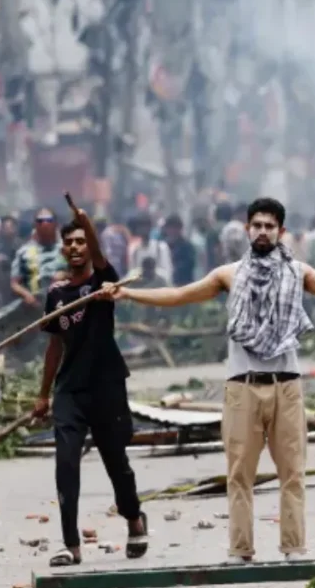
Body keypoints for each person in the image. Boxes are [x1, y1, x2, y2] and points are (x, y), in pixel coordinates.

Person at [104, 197, 315, 563]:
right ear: (248, 229)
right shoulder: (227, 275)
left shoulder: (298, 273)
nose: (262, 231)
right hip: (242, 386)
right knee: (239, 475)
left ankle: (294, 549)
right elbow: (178, 295)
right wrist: (127, 293)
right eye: (257, 225)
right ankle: (240, 551)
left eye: (270, 226)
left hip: (287, 386)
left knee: (292, 473)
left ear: (280, 232)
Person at [32, 210, 148, 568]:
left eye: (81, 241)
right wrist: (43, 393)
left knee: (117, 463)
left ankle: (134, 518)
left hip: (107, 386)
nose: (75, 247)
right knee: (65, 465)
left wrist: (88, 223)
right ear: (63, 250)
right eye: (69, 242)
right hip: (71, 391)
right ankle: (71, 545)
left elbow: (101, 261)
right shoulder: (56, 294)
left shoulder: (104, 283)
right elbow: (54, 346)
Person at [10, 207, 66, 308]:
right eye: (40, 221)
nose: (44, 224)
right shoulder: (24, 252)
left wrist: (66, 276)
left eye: (49, 220)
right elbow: (15, 283)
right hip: (36, 306)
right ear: (35, 225)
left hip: (64, 303)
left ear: (56, 224)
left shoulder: (68, 248)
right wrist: (26, 295)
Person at [163, 213, 196, 286]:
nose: (172, 231)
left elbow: (189, 264)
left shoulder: (187, 246)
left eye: (175, 228)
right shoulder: (162, 246)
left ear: (180, 229)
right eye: (169, 228)